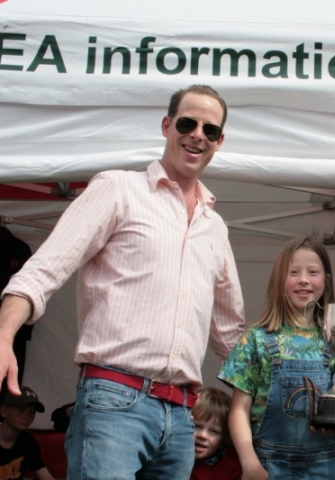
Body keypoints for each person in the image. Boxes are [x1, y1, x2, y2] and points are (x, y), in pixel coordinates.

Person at [0, 84, 245, 480]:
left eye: (210, 129)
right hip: (114, 401)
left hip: (183, 415)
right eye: (188, 123)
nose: (198, 134)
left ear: (219, 141)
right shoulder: (118, 189)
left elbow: (231, 335)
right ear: (167, 126)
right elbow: (43, 270)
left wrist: (285, 386)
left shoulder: (214, 226)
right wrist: (3, 335)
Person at [219, 236, 335, 480]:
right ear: (279, 280)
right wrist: (249, 463)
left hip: (325, 467)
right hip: (269, 467)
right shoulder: (256, 339)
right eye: (294, 272)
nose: (303, 279)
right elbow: (239, 409)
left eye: (312, 272)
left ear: (326, 281)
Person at [0, 386, 55, 480]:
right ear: (3, 411)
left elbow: (44, 474)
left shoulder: (28, 441)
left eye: (31, 412)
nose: (26, 417)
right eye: (21, 411)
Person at [189, 387, 241, 480]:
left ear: (223, 440)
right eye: (197, 426)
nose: (203, 435)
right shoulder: (168, 458)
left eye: (214, 431)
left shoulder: (228, 473)